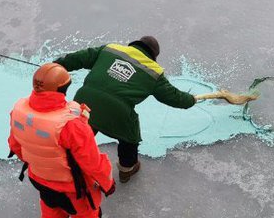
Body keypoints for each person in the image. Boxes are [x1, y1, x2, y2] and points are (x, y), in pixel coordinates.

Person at [8, 62, 127, 218]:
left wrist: (42, 163)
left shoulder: (19, 111)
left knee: (51, 217)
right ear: (64, 88)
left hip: (40, 179)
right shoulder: (71, 125)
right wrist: (108, 184)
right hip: (74, 189)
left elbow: (15, 145)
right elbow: (91, 162)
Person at [54, 36, 197, 183]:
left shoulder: (110, 49)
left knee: (81, 131)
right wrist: (191, 100)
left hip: (84, 101)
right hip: (118, 112)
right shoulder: (154, 72)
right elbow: (173, 97)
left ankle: (68, 163)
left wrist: (56, 66)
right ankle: (126, 169)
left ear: (134, 45)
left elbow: (79, 58)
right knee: (129, 137)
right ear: (154, 56)